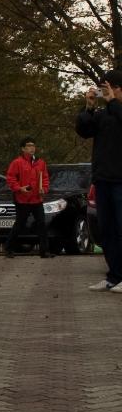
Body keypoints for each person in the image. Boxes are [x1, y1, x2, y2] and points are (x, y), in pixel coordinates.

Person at [77, 73, 122, 291]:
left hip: (120, 181)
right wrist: (89, 107)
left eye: (110, 88)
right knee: (107, 230)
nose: (106, 93)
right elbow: (84, 131)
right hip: (103, 179)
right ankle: (114, 275)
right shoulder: (104, 114)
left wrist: (113, 101)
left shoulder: (117, 109)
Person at [5, 136, 52, 258]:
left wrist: (44, 189)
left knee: (41, 223)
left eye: (33, 146)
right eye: (29, 146)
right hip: (22, 199)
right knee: (20, 223)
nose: (32, 148)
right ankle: (9, 248)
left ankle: (44, 251)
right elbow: (10, 178)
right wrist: (19, 188)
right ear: (23, 149)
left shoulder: (41, 162)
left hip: (37, 198)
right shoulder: (17, 162)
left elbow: (45, 178)